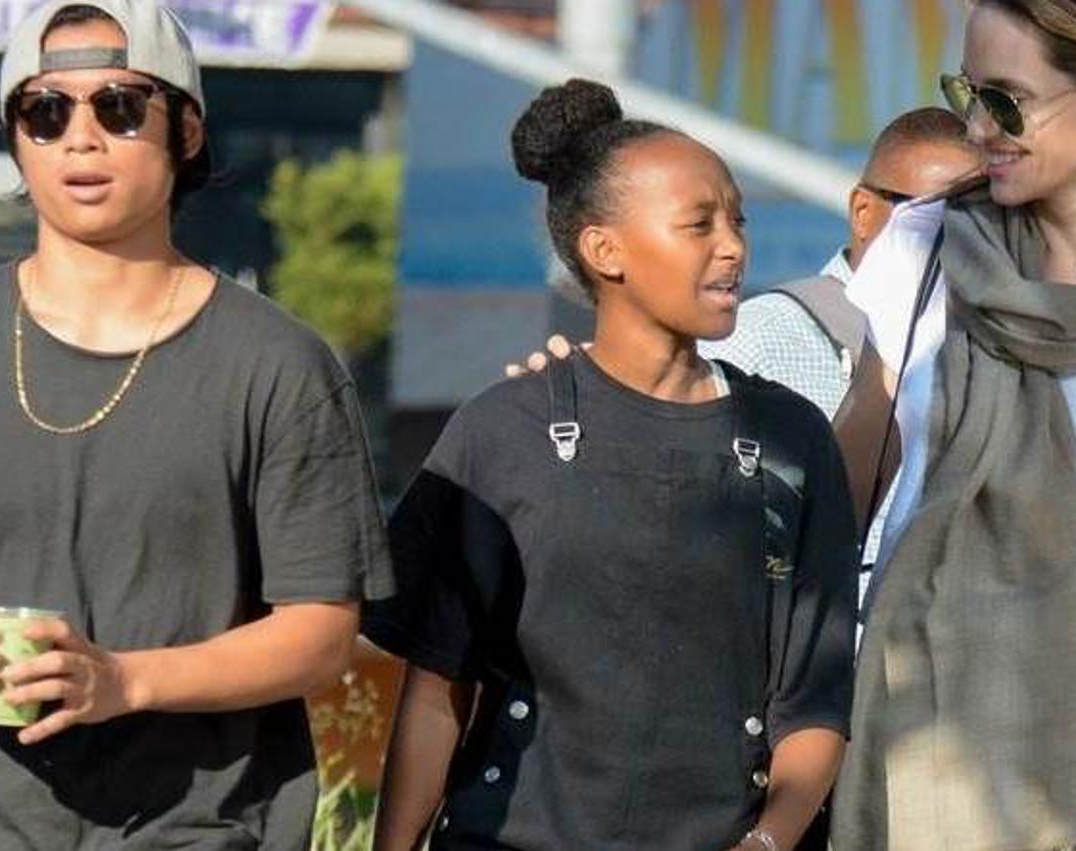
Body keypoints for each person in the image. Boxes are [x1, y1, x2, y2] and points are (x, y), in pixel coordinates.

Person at [0, 2, 393, 847]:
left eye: (120, 107)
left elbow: (320, 634)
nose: (81, 139)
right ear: (16, 138)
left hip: (195, 820)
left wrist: (124, 680)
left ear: (186, 130)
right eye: (45, 113)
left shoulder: (280, 365)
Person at [364, 79, 858, 851]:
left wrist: (769, 838)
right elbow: (437, 688)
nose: (733, 246)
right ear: (604, 250)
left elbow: (815, 699)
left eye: (738, 220)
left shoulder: (793, 442)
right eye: (699, 224)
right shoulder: (502, 431)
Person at [830, 1, 1076, 848]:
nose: (980, 128)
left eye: (1008, 101)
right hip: (951, 671)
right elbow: (849, 473)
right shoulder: (923, 245)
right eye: (967, 93)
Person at [699, 107, 980, 420]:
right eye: (933, 215)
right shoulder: (755, 342)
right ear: (863, 212)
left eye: (986, 218)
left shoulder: (992, 350)